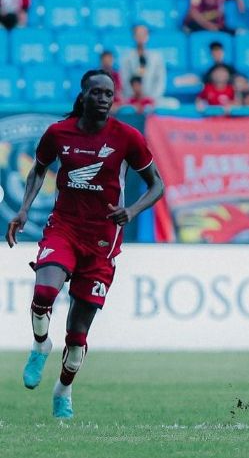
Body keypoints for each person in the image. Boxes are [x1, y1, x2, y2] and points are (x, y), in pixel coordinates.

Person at [5, 69, 164, 419]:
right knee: (44, 293)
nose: (105, 99)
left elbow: (157, 184)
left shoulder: (126, 136)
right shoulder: (58, 133)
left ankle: (63, 390)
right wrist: (23, 210)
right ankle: (40, 345)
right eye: (98, 93)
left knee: (77, 339)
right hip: (64, 228)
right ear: (84, 95)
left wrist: (133, 209)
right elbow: (38, 169)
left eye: (109, 94)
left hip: (103, 241)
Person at [120, 24, 166, 102]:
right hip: (132, 99)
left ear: (148, 36)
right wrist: (134, 96)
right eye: (138, 34)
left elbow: (160, 81)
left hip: (153, 99)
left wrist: (151, 99)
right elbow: (124, 80)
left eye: (143, 34)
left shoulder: (156, 57)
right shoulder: (126, 57)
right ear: (134, 36)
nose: (141, 37)